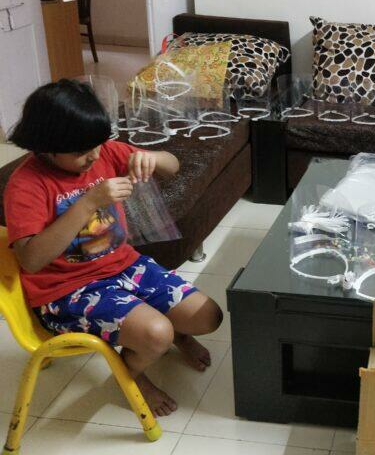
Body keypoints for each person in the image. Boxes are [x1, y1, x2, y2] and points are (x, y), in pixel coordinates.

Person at [3, 79, 223, 417]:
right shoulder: (26, 185)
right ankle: (129, 373)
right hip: (66, 291)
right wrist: (89, 202)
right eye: (80, 152)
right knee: (156, 334)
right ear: (47, 146)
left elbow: (173, 166)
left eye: (97, 145)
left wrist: (151, 158)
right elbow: (31, 260)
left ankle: (177, 336)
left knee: (208, 316)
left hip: (125, 266)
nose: (93, 156)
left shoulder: (103, 152)